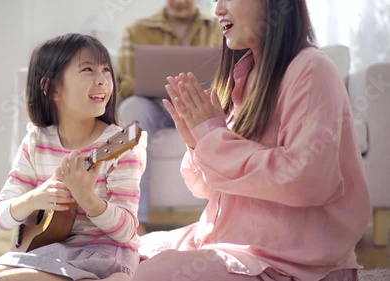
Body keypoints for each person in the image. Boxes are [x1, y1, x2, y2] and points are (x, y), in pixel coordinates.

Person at [131, 0, 371, 280]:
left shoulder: (311, 69)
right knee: (118, 254)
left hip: (291, 263)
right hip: (231, 241)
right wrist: (199, 144)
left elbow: (307, 180)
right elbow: (216, 191)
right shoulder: (245, 75)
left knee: (146, 276)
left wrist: (213, 139)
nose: (218, 10)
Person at [0, 33, 146, 281]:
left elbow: (126, 232)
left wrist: (88, 199)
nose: (102, 80)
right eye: (88, 70)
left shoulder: (120, 147)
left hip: (104, 255)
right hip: (47, 251)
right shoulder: (37, 142)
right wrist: (36, 198)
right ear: (52, 88)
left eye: (105, 70)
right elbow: (0, 217)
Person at [117, 0, 222, 235]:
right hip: (154, 105)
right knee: (132, 108)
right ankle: (134, 220)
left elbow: (226, 76)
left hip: (200, 104)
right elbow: (125, 83)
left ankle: (220, 217)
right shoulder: (137, 30)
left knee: (223, 108)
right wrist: (162, 83)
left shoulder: (219, 28)